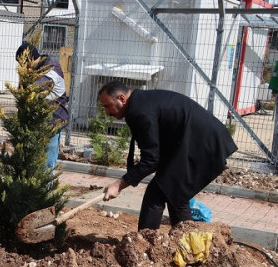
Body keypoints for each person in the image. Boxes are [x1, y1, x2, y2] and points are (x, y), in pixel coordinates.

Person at [97, 81, 238, 230]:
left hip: (202, 144)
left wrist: (119, 185)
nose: (107, 112)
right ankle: (186, 243)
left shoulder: (139, 111)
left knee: (156, 194)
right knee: (173, 192)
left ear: (122, 99)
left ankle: (145, 244)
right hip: (198, 141)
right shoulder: (141, 103)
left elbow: (151, 160)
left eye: (107, 106)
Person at [15, 41, 69, 172]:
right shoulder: (34, 70)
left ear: (30, 58)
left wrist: (26, 83)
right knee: (32, 164)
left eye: (23, 63)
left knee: (46, 165)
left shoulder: (52, 67)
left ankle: (45, 192)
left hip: (53, 122)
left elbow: (40, 86)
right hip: (37, 123)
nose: (23, 67)